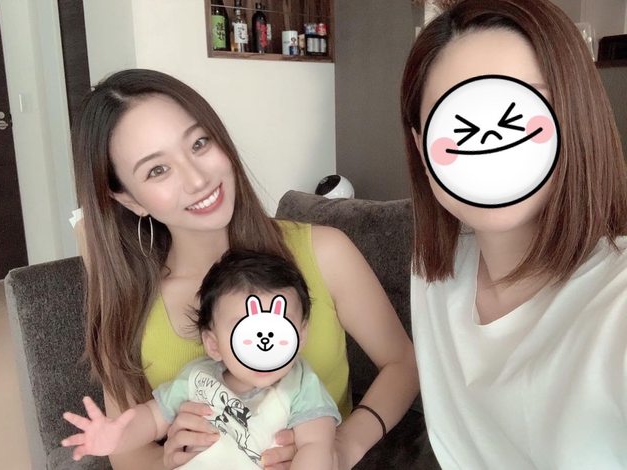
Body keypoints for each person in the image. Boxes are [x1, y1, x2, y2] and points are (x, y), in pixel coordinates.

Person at [72, 68, 417, 470]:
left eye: (199, 143)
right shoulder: (131, 302)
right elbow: (128, 457)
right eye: (157, 170)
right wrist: (169, 461)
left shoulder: (324, 251)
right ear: (130, 200)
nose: (197, 179)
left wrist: (344, 446)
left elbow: (403, 363)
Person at [402, 0, 627, 468]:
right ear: (422, 148)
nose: (490, 141)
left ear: (576, 117)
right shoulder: (434, 273)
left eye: (516, 113)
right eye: (458, 122)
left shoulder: (616, 302)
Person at [61, 250, 341, 469]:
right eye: (246, 332)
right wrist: (116, 436)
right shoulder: (197, 378)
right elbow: (152, 419)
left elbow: (317, 446)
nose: (263, 347)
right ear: (213, 344)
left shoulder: (301, 385)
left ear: (301, 334)